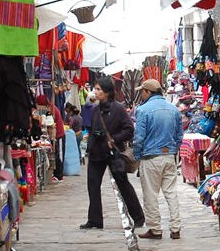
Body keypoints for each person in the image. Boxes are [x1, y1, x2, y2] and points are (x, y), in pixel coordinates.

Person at [81, 77, 145, 230]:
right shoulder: (96, 109)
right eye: (95, 89)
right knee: (93, 185)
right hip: (96, 153)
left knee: (123, 184)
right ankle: (95, 219)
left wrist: (114, 139)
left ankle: (138, 217)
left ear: (107, 92)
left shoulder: (118, 109)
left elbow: (129, 130)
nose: (95, 92)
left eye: (98, 89)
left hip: (113, 153)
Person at [132, 79, 183, 240]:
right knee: (171, 193)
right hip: (169, 157)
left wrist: (137, 156)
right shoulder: (173, 109)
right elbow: (179, 135)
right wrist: (173, 150)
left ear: (148, 92)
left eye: (142, 91)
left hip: (151, 157)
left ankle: (155, 229)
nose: (141, 94)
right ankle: (175, 228)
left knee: (151, 195)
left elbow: (139, 137)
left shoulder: (143, 110)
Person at [37, 94, 66, 181]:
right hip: (52, 135)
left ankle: (59, 175)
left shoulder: (52, 110)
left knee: (59, 155)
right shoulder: (46, 110)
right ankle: (55, 174)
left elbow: (50, 125)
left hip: (59, 135)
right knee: (55, 154)